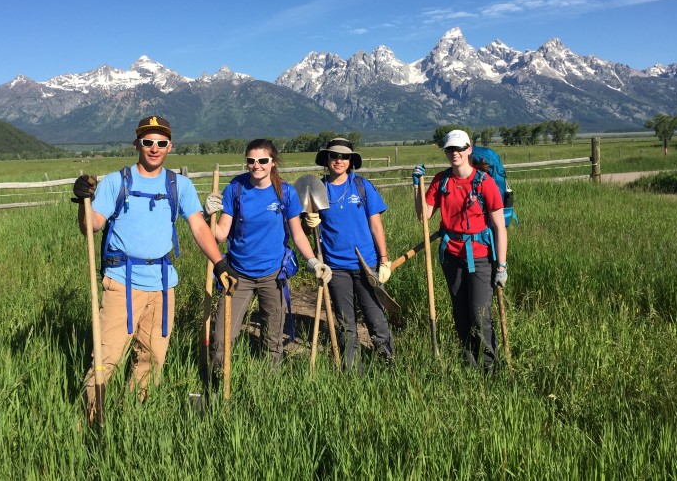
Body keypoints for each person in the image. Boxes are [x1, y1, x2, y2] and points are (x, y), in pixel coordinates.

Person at [71, 115, 234, 420]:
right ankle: (91, 423)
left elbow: (199, 228)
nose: (154, 148)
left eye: (161, 142)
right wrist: (85, 202)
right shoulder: (116, 181)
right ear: (137, 144)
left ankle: (136, 418)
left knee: (153, 357)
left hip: (162, 284)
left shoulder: (179, 185)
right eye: (148, 142)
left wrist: (220, 262)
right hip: (121, 283)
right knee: (106, 358)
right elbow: (91, 226)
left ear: (169, 146)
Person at [203, 139, 331, 373]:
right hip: (237, 275)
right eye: (251, 161)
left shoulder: (286, 192)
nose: (256, 165)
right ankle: (216, 383)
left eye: (262, 160)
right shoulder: (236, 188)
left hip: (273, 276)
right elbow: (220, 234)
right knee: (222, 337)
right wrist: (206, 215)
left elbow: (298, 235)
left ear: (273, 162)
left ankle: (270, 383)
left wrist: (313, 261)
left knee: (272, 340)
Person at [412, 129, 508, 372]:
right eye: (449, 149)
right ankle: (470, 364)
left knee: (480, 314)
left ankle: (489, 367)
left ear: (469, 150)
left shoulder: (485, 183)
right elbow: (423, 217)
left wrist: (502, 266)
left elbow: (499, 226)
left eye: (458, 149)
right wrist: (416, 186)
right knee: (461, 313)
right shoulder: (440, 180)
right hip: (451, 256)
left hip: (480, 257)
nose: (454, 153)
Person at [302, 137, 394, 371]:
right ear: (327, 159)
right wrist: (308, 222)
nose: (339, 160)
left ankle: (387, 363)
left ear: (351, 161)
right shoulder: (316, 189)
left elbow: (376, 225)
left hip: (366, 264)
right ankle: (352, 369)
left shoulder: (362, 187)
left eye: (344, 156)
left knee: (375, 317)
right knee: (345, 321)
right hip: (335, 265)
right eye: (334, 156)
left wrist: (384, 260)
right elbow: (303, 230)